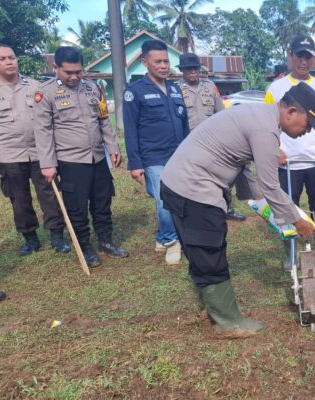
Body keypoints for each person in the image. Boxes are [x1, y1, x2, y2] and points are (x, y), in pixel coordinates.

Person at [160, 82, 315, 338]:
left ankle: (216, 307)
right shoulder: (265, 129)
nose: (307, 132)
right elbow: (271, 186)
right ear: (291, 112)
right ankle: (227, 321)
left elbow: (239, 163)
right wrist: (297, 220)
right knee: (209, 248)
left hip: (180, 184)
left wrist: (259, 201)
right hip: (193, 189)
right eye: (307, 124)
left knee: (200, 249)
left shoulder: (259, 116)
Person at [34, 46, 128, 268]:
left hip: (97, 158)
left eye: (78, 71)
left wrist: (113, 147)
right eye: (69, 72)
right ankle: (85, 246)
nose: (74, 77)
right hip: (70, 161)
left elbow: (103, 120)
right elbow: (43, 131)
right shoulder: (44, 94)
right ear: (55, 68)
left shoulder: (93, 89)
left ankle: (106, 241)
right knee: (76, 207)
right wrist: (47, 164)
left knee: (102, 202)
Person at [0, 43, 70, 255]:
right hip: (9, 154)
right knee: (19, 199)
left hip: (40, 151)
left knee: (50, 195)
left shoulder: (35, 86)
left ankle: (57, 236)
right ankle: (30, 239)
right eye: (3, 59)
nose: (9, 62)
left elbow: (50, 121)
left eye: (12, 57)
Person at [264, 35, 315, 269]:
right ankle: (292, 253)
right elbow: (267, 124)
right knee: (288, 211)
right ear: (290, 56)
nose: (303, 61)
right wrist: (276, 150)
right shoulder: (276, 88)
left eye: (308, 57)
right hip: (287, 163)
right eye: (299, 56)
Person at [123, 40, 189, 265]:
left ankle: (163, 236)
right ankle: (171, 241)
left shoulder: (174, 89)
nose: (163, 65)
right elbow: (130, 130)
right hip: (153, 157)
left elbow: (185, 125)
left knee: (179, 196)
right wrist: (135, 163)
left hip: (178, 155)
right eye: (157, 61)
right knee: (163, 200)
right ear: (144, 62)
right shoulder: (135, 92)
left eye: (166, 61)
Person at [176, 52, 247, 222]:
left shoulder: (210, 86)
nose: (193, 72)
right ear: (183, 71)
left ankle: (227, 207)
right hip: (188, 141)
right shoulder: (176, 89)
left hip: (212, 142)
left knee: (221, 174)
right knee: (191, 177)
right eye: (189, 69)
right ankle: (195, 209)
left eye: (195, 68)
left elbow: (221, 113)